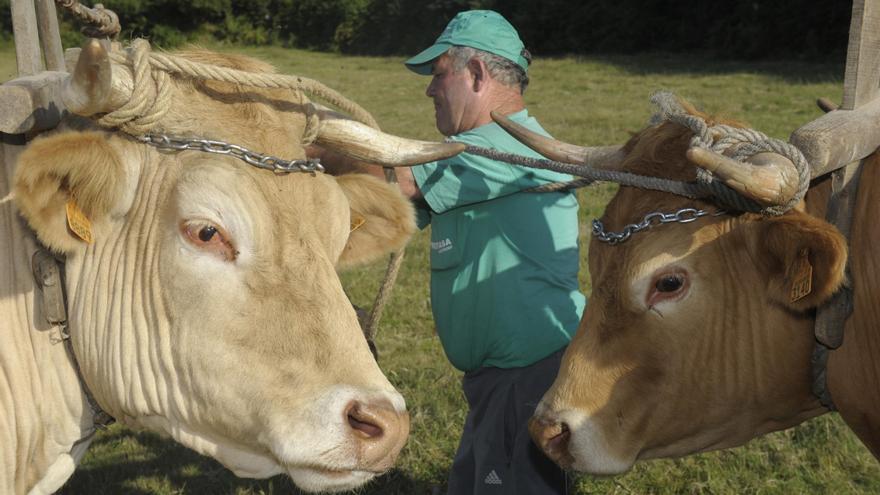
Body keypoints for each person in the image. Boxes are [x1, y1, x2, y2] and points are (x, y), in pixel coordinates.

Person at [313, 9, 585, 494]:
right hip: (498, 378)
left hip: (525, 375)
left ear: (477, 74)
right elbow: (384, 212)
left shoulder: (501, 148)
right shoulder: (475, 157)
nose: (429, 90)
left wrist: (315, 137)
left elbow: (393, 179)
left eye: (439, 75)